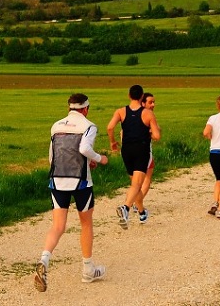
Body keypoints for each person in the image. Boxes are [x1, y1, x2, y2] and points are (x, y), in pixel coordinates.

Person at [34, 93, 109, 292]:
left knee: (58, 225)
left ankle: (44, 259)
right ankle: (87, 270)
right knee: (86, 224)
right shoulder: (89, 126)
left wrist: (86, 160)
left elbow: (52, 157)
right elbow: (84, 148)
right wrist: (99, 158)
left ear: (69, 108)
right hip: (81, 182)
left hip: (57, 180)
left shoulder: (56, 126)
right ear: (86, 109)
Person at [107, 84, 161, 228]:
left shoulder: (120, 111)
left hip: (126, 150)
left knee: (134, 185)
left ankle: (142, 212)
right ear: (142, 96)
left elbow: (110, 127)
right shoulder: (148, 114)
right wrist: (149, 131)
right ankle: (125, 208)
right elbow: (157, 136)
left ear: (129, 96)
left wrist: (112, 142)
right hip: (141, 150)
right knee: (137, 185)